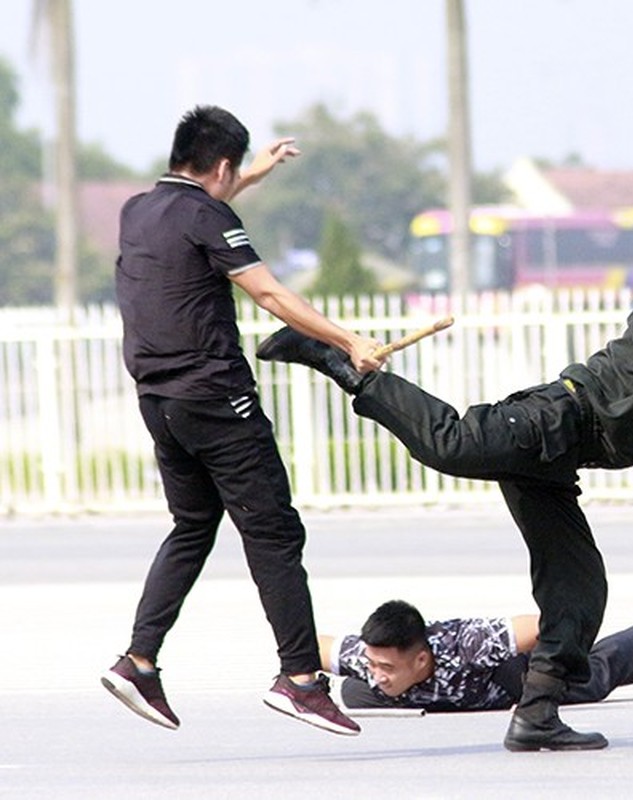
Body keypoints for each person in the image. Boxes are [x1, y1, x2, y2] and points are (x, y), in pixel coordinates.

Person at [256, 234, 633, 751]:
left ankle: (537, 716)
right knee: (449, 445)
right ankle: (335, 361)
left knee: (580, 591)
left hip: (559, 464)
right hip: (552, 420)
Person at [101, 105, 384, 736]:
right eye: (235, 174)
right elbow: (271, 295)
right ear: (221, 166)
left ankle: (138, 660)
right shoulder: (210, 214)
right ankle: (302, 679)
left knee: (193, 525)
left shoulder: (138, 210)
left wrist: (253, 174)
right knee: (275, 535)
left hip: (161, 403)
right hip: (216, 400)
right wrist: (349, 341)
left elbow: (195, 205)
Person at [319, 599, 633, 713]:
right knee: (355, 692)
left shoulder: (468, 643)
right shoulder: (367, 660)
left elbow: (545, 623)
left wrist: (565, 651)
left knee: (588, 681)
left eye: (386, 666)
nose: (376, 672)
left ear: (420, 659)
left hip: (504, 680)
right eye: (372, 664)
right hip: (435, 695)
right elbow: (311, 645)